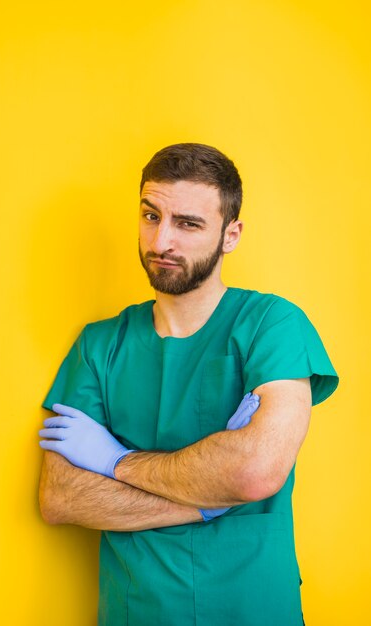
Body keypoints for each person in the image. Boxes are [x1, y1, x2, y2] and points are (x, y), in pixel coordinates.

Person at [38, 143, 339, 626]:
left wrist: (115, 461)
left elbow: (256, 473)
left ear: (230, 234)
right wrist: (207, 504)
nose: (161, 242)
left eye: (188, 224)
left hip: (253, 608)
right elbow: (62, 498)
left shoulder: (272, 325)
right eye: (151, 215)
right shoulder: (100, 345)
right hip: (137, 612)